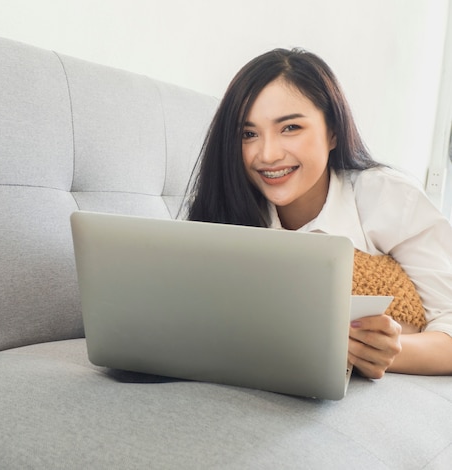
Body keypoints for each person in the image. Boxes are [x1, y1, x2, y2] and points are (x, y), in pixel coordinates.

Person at [185, 48, 452, 378]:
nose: (267, 154)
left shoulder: (388, 198)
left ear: (333, 132)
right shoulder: (225, 204)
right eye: (249, 134)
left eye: (290, 128)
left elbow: (449, 326)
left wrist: (382, 351)